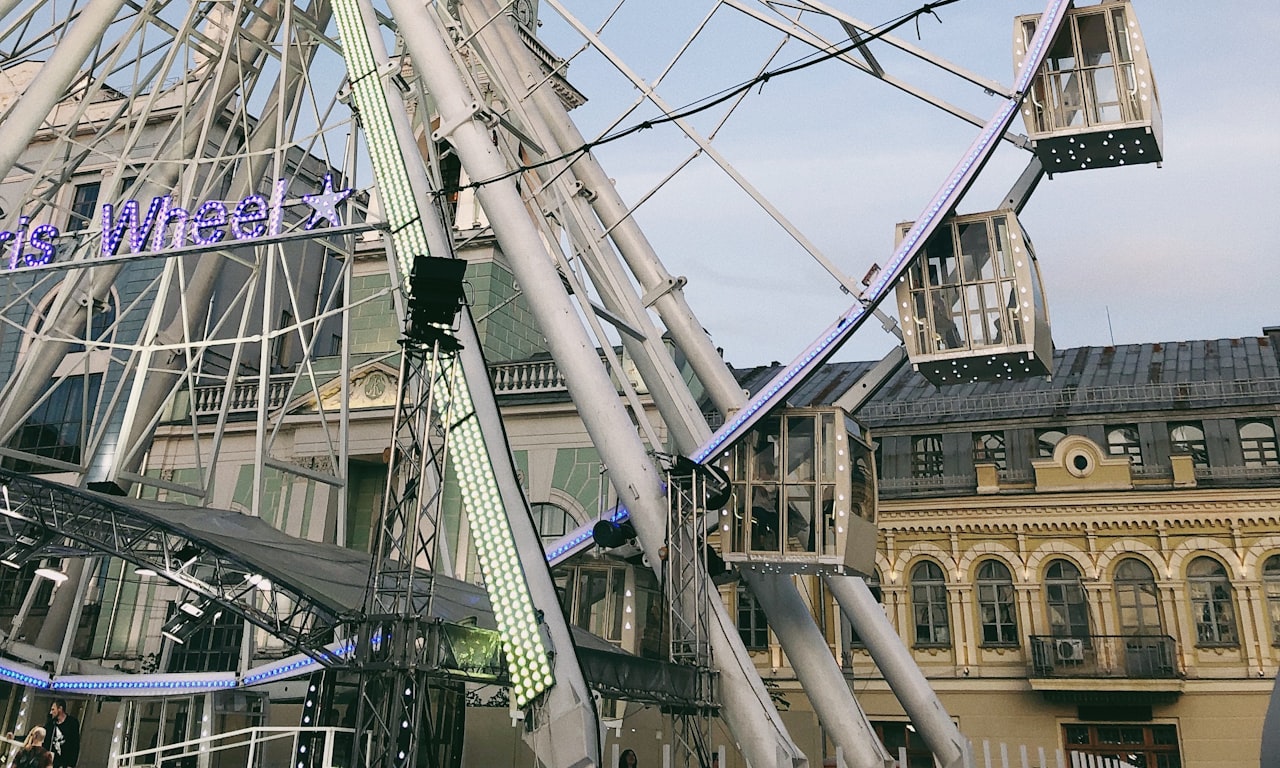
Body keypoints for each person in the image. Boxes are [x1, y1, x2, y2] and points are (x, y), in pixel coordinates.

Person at [43, 700, 78, 768]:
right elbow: (46, 743)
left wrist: (71, 764)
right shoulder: (50, 724)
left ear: (60, 709)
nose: (51, 712)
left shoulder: (72, 723)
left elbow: (75, 744)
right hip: (51, 762)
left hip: (64, 762)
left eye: (53, 709)